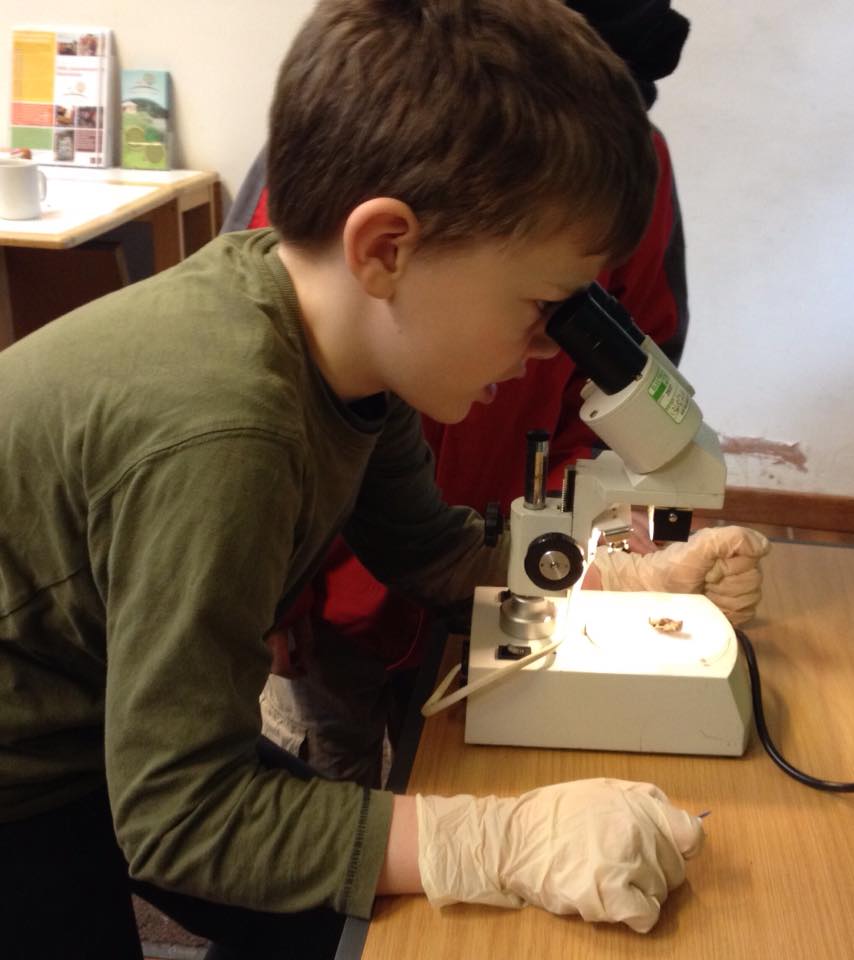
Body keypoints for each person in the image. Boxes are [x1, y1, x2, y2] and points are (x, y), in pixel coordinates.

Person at [0, 2, 756, 957]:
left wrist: (627, 576)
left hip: (111, 719)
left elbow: (432, 554)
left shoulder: (342, 349)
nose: (546, 350)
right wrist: (497, 839)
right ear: (388, 249)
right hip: (28, 765)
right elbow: (181, 819)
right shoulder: (229, 430)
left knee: (359, 923)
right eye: (543, 305)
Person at [256, 0, 769, 789]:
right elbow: (196, 807)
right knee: (329, 770)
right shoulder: (366, 132)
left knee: (446, 766)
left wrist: (617, 560)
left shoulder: (629, 163)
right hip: (330, 595)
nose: (546, 342)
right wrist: (277, 601)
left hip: (478, 554)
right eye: (543, 302)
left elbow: (640, 347)